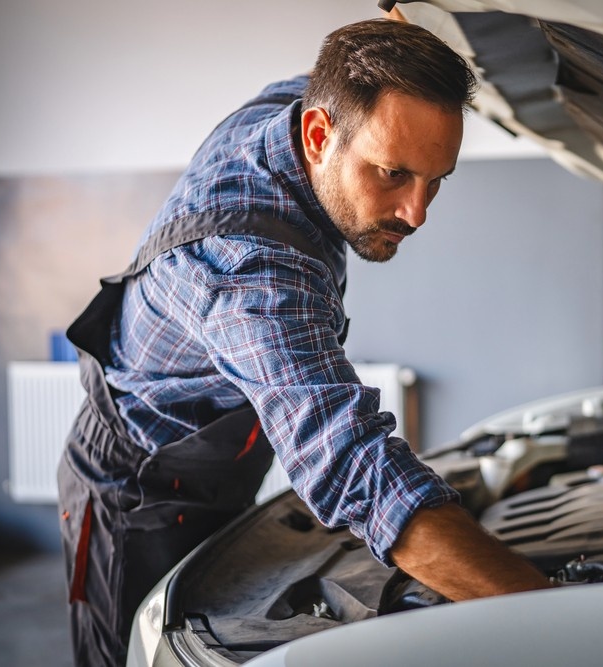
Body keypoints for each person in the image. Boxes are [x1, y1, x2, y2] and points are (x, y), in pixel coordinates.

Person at [57, 17, 551, 666]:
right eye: (393, 173)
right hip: (133, 493)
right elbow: (354, 467)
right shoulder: (248, 272)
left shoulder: (300, 112)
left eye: (436, 181)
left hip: (214, 473)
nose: (417, 212)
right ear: (319, 136)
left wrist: (408, 27)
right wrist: (559, 616)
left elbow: (344, 70)